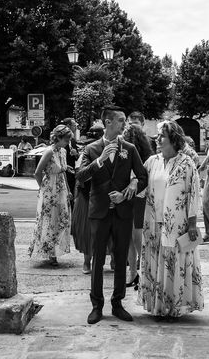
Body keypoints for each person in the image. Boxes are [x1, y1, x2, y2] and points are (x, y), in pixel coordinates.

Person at [76, 106, 148, 325]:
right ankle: (97, 306)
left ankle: (118, 304)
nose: (124, 124)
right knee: (98, 260)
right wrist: (99, 161)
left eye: (124, 120)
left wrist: (130, 189)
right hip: (99, 212)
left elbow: (143, 177)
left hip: (123, 211)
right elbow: (80, 176)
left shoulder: (130, 148)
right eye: (120, 120)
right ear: (107, 122)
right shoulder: (91, 149)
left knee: (120, 259)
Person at [138, 120, 203, 320]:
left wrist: (192, 223)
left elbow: (194, 194)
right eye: (158, 136)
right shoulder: (152, 161)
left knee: (174, 262)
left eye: (162, 136)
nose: (157, 139)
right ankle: (157, 306)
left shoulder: (186, 163)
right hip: (152, 221)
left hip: (177, 223)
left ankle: (175, 305)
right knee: (155, 261)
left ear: (173, 139)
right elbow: (140, 185)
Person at [28, 124, 73, 266]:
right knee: (50, 219)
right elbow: (37, 172)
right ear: (58, 138)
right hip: (50, 189)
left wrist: (68, 189)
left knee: (62, 219)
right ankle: (51, 253)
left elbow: (62, 171)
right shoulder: (49, 151)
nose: (67, 143)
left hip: (61, 188)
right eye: (66, 140)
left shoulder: (63, 151)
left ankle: (55, 250)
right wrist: (43, 189)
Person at [122, 122, 153, 291]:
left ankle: (142, 271)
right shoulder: (133, 153)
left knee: (137, 236)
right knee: (129, 237)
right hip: (128, 197)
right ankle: (133, 272)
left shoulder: (147, 158)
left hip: (139, 198)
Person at [71, 123, 105, 274]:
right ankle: (87, 262)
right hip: (88, 194)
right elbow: (81, 175)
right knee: (88, 230)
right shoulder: (88, 150)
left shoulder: (106, 148)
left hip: (100, 193)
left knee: (98, 230)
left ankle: (89, 262)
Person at [61, 117, 79, 208]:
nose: (75, 127)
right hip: (61, 170)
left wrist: (76, 154)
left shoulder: (73, 140)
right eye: (74, 125)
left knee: (71, 194)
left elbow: (77, 157)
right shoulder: (60, 140)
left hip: (71, 171)